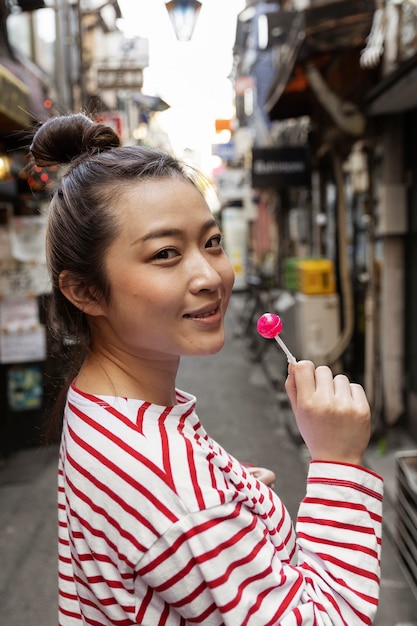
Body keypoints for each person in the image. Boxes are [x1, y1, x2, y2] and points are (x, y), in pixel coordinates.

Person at [30, 113, 383, 626]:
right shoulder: (168, 481)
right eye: (166, 253)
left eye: (212, 242)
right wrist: (339, 462)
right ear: (85, 291)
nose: (210, 276)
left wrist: (230, 505)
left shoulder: (105, 406)